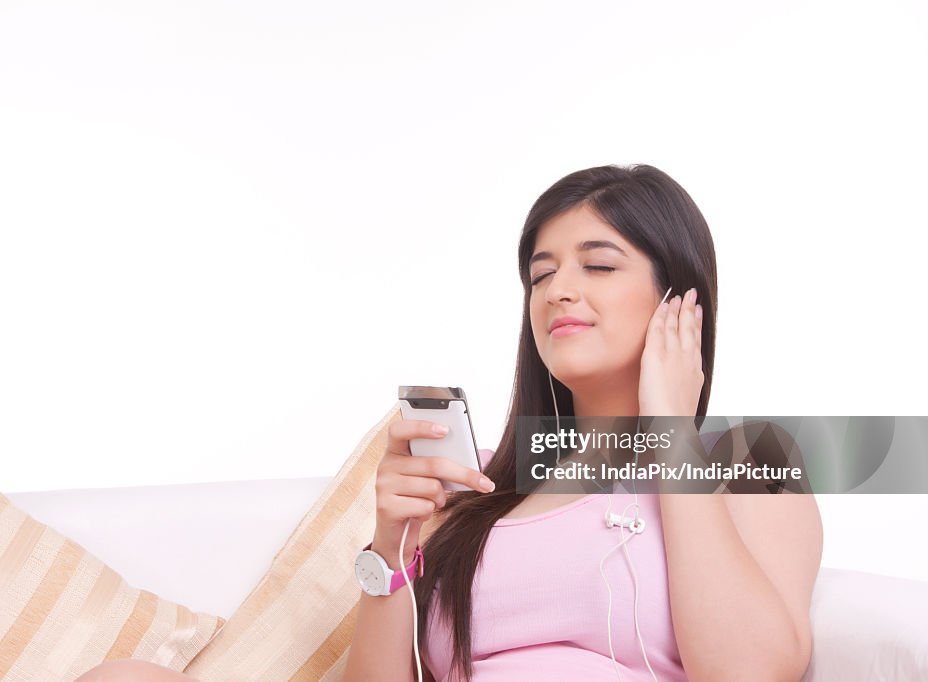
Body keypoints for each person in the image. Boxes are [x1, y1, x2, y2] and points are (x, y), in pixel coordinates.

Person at [344, 164, 823, 681]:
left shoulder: (749, 461)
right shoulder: (472, 485)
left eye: (598, 265)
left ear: (677, 299)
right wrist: (392, 552)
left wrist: (672, 432)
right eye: (542, 275)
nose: (557, 292)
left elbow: (753, 674)